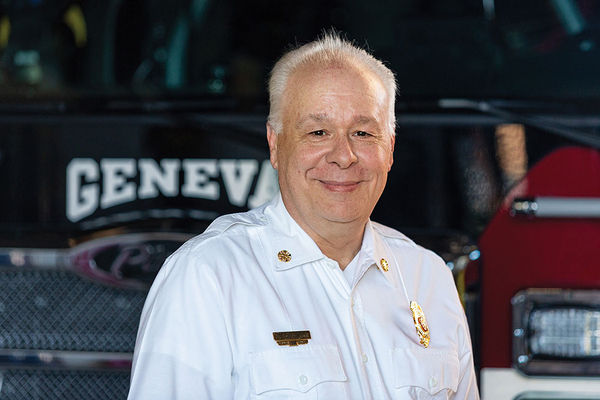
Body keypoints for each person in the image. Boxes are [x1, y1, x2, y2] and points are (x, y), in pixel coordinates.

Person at [128, 32, 479, 399]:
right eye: (318, 132)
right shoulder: (208, 276)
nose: (343, 156)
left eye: (362, 132)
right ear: (275, 145)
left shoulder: (429, 277)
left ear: (389, 148)